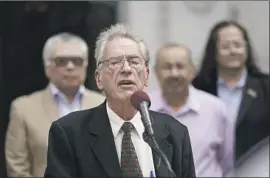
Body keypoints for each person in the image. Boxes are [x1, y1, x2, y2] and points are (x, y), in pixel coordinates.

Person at [44, 24, 196, 178]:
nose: (126, 69)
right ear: (99, 78)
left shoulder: (175, 133)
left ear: (146, 76)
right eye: (115, 62)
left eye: (134, 62)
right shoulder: (69, 133)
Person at [5, 32, 105, 177]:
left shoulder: (103, 104)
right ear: (47, 67)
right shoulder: (23, 108)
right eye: (61, 61)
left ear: (86, 65)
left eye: (76, 61)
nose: (70, 67)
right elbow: (17, 168)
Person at [149, 43, 234, 177]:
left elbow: (227, 162)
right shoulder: (143, 109)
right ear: (156, 72)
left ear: (192, 71)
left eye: (180, 66)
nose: (174, 73)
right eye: (167, 67)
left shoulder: (216, 109)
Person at [192, 20, 270, 161]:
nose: (233, 51)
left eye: (238, 45)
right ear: (214, 52)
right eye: (225, 46)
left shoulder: (266, 87)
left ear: (247, 48)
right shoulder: (199, 87)